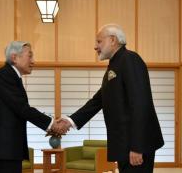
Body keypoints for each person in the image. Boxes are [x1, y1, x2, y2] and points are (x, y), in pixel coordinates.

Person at [56, 24, 164, 173]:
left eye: (99, 41)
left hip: (136, 144)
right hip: (125, 144)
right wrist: (70, 120)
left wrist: (137, 147)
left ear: (113, 40)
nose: (95, 47)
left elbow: (140, 103)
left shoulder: (130, 59)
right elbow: (97, 101)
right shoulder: (115, 65)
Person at [0, 41, 62, 173]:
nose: (33, 61)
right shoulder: (4, 75)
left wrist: (51, 123)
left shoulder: (11, 76)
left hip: (7, 149)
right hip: (4, 150)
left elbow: (20, 108)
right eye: (29, 56)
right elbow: (22, 108)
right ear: (15, 58)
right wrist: (52, 124)